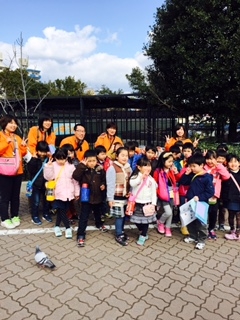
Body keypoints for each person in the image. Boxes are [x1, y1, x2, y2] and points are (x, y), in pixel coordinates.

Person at [73, 150, 107, 247]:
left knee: (98, 212)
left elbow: (104, 179)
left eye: (94, 160)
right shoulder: (83, 169)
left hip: (97, 196)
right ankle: (80, 235)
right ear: (85, 160)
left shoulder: (100, 169)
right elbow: (75, 176)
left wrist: (103, 185)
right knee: (84, 217)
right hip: (86, 197)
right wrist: (82, 166)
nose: (92, 163)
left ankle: (99, 224)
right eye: (90, 161)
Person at [180, 153, 215, 250]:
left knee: (201, 222)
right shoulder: (192, 175)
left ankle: (202, 240)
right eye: (191, 166)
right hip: (191, 202)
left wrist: (200, 197)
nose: (192, 168)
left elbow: (210, 192)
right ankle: (193, 236)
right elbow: (183, 182)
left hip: (201, 204)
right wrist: (186, 175)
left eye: (194, 166)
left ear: (202, 165)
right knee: (190, 220)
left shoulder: (206, 177)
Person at [44, 148, 80, 239]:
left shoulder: (71, 166)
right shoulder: (52, 165)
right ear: (55, 157)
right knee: (62, 210)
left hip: (68, 193)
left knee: (62, 210)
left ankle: (56, 226)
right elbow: (48, 177)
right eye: (58, 158)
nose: (61, 161)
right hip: (58, 193)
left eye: (63, 158)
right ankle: (68, 228)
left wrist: (76, 192)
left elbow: (75, 181)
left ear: (66, 157)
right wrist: (48, 167)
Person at [0, 114, 28, 229]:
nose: (13, 125)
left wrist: (23, 146)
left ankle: (15, 215)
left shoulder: (17, 137)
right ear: (4, 124)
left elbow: (23, 153)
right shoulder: (1, 136)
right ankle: (5, 218)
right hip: (4, 171)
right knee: (5, 196)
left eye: (15, 123)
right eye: (10, 123)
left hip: (17, 170)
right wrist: (6, 142)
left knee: (15, 195)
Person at [106, 147, 132, 246]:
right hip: (117, 197)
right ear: (117, 156)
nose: (125, 158)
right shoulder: (112, 168)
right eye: (122, 155)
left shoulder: (128, 167)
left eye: (126, 155)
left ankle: (121, 231)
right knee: (119, 217)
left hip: (126, 196)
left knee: (124, 216)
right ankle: (118, 234)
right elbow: (110, 184)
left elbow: (131, 182)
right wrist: (110, 198)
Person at [129, 158, 157, 246]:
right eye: (145, 165)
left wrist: (153, 203)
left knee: (146, 222)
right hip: (136, 203)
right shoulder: (135, 176)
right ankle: (142, 231)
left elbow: (153, 192)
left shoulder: (151, 179)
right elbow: (132, 183)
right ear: (139, 167)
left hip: (147, 204)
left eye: (149, 165)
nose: (148, 167)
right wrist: (141, 177)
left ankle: (143, 235)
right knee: (136, 220)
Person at [204, 150, 230, 240]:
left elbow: (227, 176)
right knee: (204, 212)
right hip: (204, 194)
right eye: (207, 159)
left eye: (212, 159)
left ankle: (211, 229)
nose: (209, 161)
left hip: (214, 195)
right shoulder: (204, 167)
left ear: (215, 159)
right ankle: (204, 230)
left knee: (213, 213)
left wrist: (218, 165)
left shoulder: (219, 167)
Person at [153, 151, 179, 237]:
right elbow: (155, 184)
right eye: (169, 161)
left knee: (170, 210)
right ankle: (160, 222)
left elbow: (177, 180)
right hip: (163, 194)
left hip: (172, 193)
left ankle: (167, 227)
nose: (171, 163)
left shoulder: (171, 170)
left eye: (172, 161)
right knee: (168, 212)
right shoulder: (158, 171)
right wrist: (157, 195)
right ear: (163, 161)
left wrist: (176, 173)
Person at [27, 141, 52, 225]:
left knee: (47, 200)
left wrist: (50, 159)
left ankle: (46, 214)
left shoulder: (49, 159)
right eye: (40, 151)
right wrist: (33, 159)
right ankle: (35, 216)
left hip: (46, 184)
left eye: (44, 151)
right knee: (36, 201)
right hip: (36, 185)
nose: (42, 153)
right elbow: (30, 170)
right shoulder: (34, 159)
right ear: (37, 151)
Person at [222, 154, 240, 240]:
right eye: (231, 161)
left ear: (239, 163)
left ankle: (238, 233)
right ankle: (233, 231)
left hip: (239, 198)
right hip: (230, 198)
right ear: (227, 163)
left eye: (235, 161)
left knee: (239, 216)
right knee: (231, 215)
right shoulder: (226, 173)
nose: (233, 164)